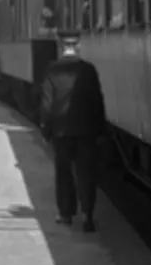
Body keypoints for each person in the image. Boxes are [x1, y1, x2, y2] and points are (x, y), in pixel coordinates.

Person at [39, 29, 107, 233]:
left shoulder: (52, 70)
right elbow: (97, 101)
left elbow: (47, 103)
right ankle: (88, 215)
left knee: (64, 172)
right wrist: (100, 128)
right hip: (86, 130)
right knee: (86, 172)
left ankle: (66, 213)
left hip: (61, 131)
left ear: (61, 46)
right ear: (77, 46)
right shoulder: (88, 70)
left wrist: (45, 128)